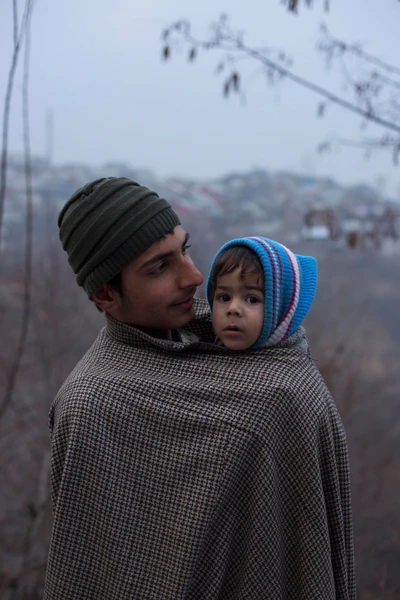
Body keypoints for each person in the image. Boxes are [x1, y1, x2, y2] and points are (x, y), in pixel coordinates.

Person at [45, 176, 356, 600]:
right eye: (159, 267)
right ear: (106, 295)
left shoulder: (247, 337)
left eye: (184, 250)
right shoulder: (93, 404)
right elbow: (104, 572)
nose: (193, 276)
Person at [206, 236, 317, 351]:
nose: (233, 309)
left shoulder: (289, 366)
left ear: (280, 312)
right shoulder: (200, 349)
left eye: (252, 300)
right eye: (224, 298)